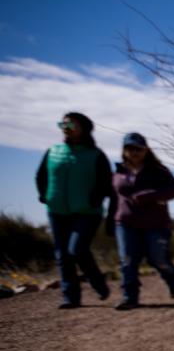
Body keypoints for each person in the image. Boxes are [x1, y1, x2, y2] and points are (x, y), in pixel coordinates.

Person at [35, 112, 114, 308]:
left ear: (84, 129)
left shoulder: (96, 155)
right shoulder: (53, 151)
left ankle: (98, 283)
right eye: (63, 124)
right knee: (62, 254)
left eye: (71, 124)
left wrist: (94, 201)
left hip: (87, 213)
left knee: (77, 250)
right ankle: (70, 297)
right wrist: (45, 196)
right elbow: (41, 176)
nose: (66, 128)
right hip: (57, 211)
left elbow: (106, 184)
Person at [107, 132, 174, 310]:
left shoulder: (159, 171)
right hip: (125, 223)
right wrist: (110, 222)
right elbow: (114, 199)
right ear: (123, 150)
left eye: (138, 148)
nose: (134, 152)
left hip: (155, 223)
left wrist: (151, 196)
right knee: (127, 259)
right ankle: (129, 297)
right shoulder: (118, 173)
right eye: (130, 148)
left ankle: (172, 279)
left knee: (158, 258)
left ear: (146, 150)